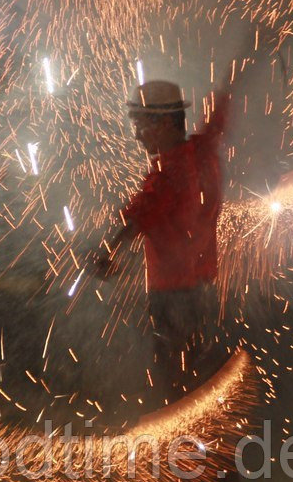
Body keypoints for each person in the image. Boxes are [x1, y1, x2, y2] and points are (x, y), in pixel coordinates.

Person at [88, 75, 237, 403]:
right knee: (203, 376)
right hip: (206, 290)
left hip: (171, 300)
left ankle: (181, 446)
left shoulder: (166, 178)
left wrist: (108, 252)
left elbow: (136, 219)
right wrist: (250, 58)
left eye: (142, 125)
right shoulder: (204, 149)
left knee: (176, 386)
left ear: (165, 124)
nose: (137, 135)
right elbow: (221, 110)